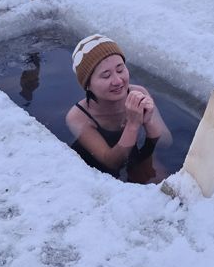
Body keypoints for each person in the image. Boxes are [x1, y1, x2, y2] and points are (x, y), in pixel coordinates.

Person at [66, 34, 171, 183]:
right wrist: (133, 125)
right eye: (106, 75)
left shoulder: (138, 93)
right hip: (93, 172)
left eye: (120, 70)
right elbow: (111, 162)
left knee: (159, 178)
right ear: (88, 84)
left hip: (133, 154)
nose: (117, 81)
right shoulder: (78, 116)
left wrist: (148, 122)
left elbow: (165, 143)